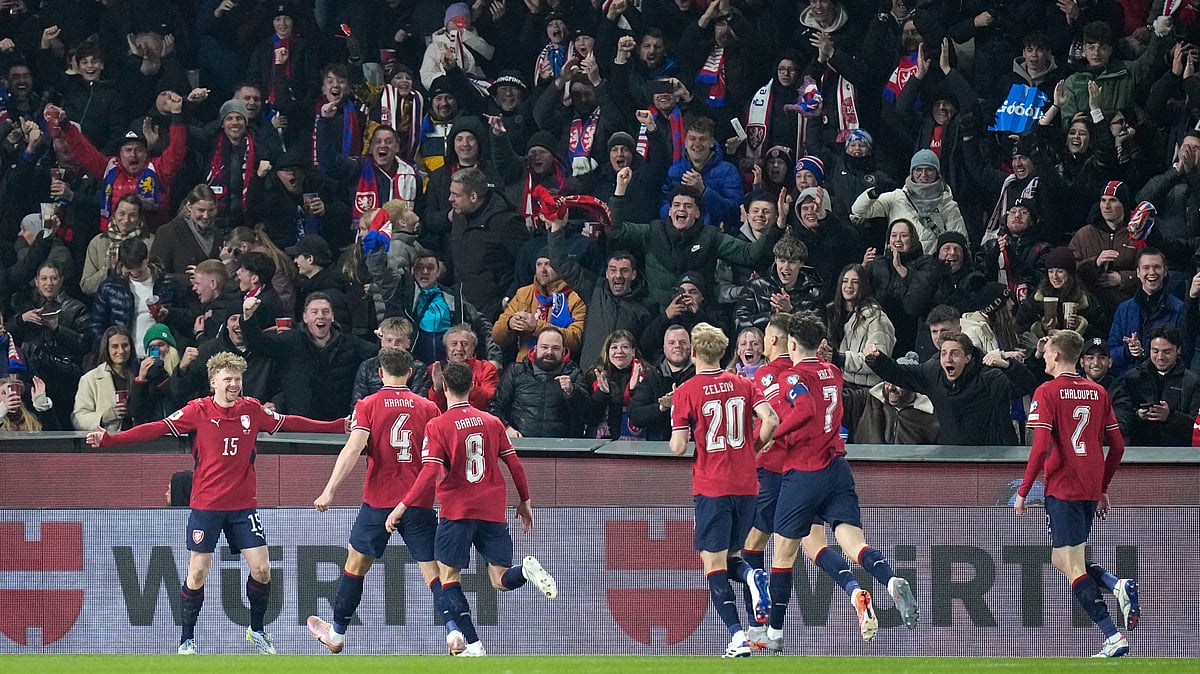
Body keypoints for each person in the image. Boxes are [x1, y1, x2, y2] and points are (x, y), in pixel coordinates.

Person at [84, 352, 347, 655]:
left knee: (262, 569)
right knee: (197, 573)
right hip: (207, 506)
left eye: (237, 379)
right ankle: (186, 640)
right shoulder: (197, 411)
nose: (233, 384)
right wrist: (111, 439)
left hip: (243, 507)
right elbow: (156, 428)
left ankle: (257, 630)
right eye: (227, 379)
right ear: (213, 383)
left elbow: (290, 423)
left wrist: (337, 425)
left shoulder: (252, 409)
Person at [764, 312, 919, 649]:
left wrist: (773, 435)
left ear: (792, 344)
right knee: (852, 545)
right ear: (820, 343)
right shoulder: (832, 371)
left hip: (804, 472)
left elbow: (804, 409)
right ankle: (889, 581)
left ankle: (773, 634)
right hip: (836, 468)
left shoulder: (792, 376)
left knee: (783, 555)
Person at [386, 360, 558, 657]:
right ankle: (525, 571)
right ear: (471, 387)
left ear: (444, 387)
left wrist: (402, 505)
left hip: (458, 511)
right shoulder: (492, 422)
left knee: (448, 578)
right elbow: (514, 463)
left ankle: (474, 645)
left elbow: (429, 472)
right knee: (501, 579)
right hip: (492, 509)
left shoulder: (438, 425)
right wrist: (525, 500)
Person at [307, 348, 455, 654]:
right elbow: (443, 457)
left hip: (378, 501)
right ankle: (454, 632)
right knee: (435, 573)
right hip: (417, 501)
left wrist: (329, 489)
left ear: (380, 373)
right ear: (410, 373)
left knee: (355, 566)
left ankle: (336, 634)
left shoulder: (368, 404)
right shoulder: (428, 407)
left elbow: (354, 448)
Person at [1014, 329, 1139, 658]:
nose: (1043, 356)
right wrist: (1103, 487)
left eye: (1046, 351)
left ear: (1056, 355)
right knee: (1064, 559)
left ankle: (1112, 632)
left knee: (1071, 566)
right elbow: (1118, 446)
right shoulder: (1099, 392)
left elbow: (1040, 446)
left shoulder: (1047, 391)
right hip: (1089, 487)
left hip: (1063, 486)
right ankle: (1113, 586)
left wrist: (1024, 491)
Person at [669, 322, 778, 658]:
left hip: (712, 485)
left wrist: (676, 416)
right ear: (723, 352)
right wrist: (752, 449)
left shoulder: (687, 390)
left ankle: (737, 636)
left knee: (713, 563)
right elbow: (772, 420)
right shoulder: (744, 383)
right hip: (747, 485)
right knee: (730, 557)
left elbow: (678, 447)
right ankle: (752, 578)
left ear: (694, 352)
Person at [867, 333, 1038, 445]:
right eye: (944, 353)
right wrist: (877, 359)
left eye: (954, 354)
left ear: (967, 358)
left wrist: (1008, 366)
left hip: (995, 455)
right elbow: (899, 373)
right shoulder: (932, 373)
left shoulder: (988, 377)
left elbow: (1027, 385)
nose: (948, 359)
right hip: (955, 456)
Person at [491, 327, 588, 438]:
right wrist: (506, 428)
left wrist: (572, 393)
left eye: (556, 348)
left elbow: (587, 414)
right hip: (521, 443)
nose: (549, 352)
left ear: (563, 351)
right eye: (544, 347)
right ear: (535, 349)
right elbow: (495, 407)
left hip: (563, 445)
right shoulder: (515, 371)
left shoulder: (574, 374)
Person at [1123, 325, 1200, 447]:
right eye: (1155, 351)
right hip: (1139, 450)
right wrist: (1138, 415)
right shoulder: (1133, 378)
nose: (1160, 357)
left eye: (1167, 352)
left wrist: (1170, 416)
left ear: (1178, 350)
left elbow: (1196, 425)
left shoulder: (1192, 381)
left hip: (1179, 452)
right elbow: (1121, 417)